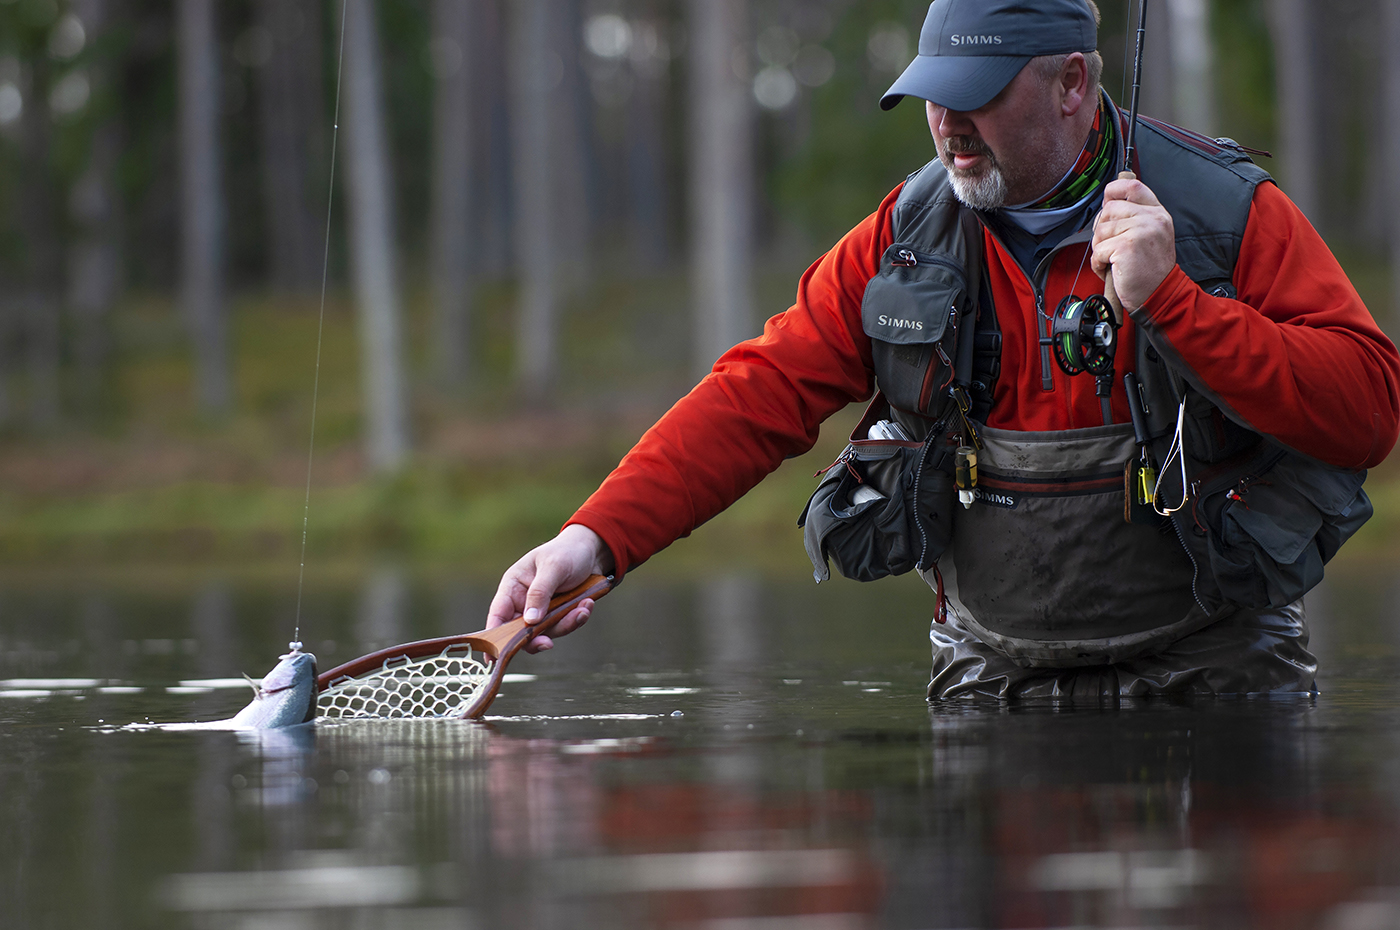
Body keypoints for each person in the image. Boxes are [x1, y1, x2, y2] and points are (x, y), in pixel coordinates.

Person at [488, 0, 1400, 698]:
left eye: (978, 96)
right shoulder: (907, 231)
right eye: (931, 96)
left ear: (1073, 84)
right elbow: (757, 394)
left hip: (1219, 681)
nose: (946, 123)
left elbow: (1368, 409)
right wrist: (594, 538)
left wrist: (1176, 303)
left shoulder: (1225, 213)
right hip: (987, 686)